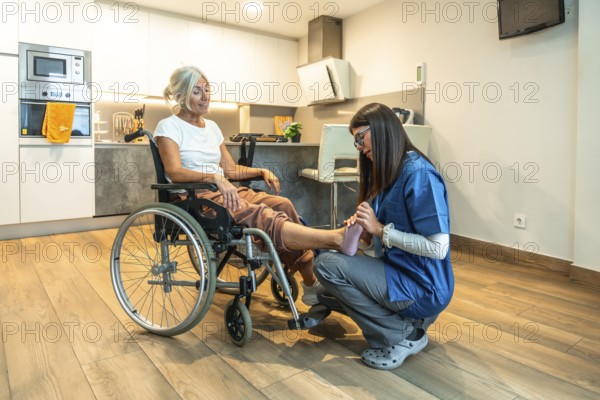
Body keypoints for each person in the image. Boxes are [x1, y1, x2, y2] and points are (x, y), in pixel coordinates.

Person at [153, 66, 362, 306]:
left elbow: (230, 170)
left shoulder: (212, 127)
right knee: (261, 215)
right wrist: (214, 178)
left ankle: (310, 283)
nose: (206, 96)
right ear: (180, 96)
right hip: (196, 199)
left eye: (207, 89)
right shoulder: (168, 126)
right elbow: (174, 171)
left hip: (225, 190)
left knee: (282, 204)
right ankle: (334, 240)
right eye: (197, 91)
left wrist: (260, 171)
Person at [314, 103, 454, 370]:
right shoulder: (389, 173)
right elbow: (368, 246)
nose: (358, 147)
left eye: (360, 137)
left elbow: (439, 249)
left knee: (325, 267)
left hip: (425, 288)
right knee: (326, 291)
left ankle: (400, 335)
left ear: (379, 129)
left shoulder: (419, 174)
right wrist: (363, 233)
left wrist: (380, 230)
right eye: (355, 141)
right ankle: (412, 324)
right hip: (404, 275)